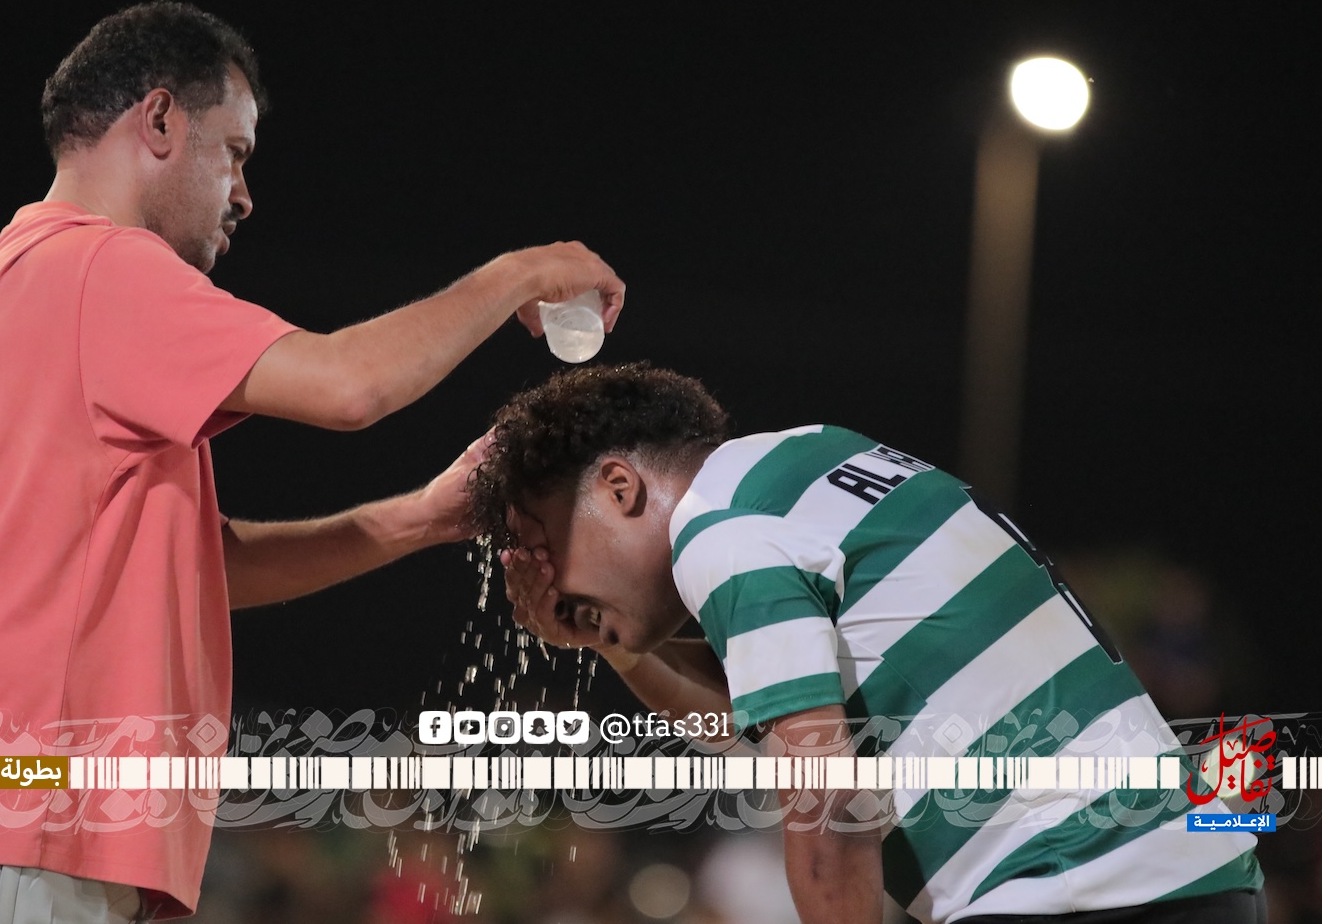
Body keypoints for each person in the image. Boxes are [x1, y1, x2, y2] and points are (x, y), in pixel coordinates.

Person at [0, 1, 624, 922]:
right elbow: (350, 386)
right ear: (160, 119)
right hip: (1, 819)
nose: (244, 195)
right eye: (235, 154)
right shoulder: (97, 267)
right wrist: (520, 272)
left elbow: (204, 566)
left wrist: (418, 519)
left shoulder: (12, 280)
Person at [469, 362, 1267, 924]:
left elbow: (827, 799)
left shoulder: (722, 537)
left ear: (619, 486)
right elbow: (752, 735)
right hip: (1192, 873)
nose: (542, 579)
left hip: (1071, 885)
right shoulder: (810, 460)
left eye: (542, 544)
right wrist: (612, 642)